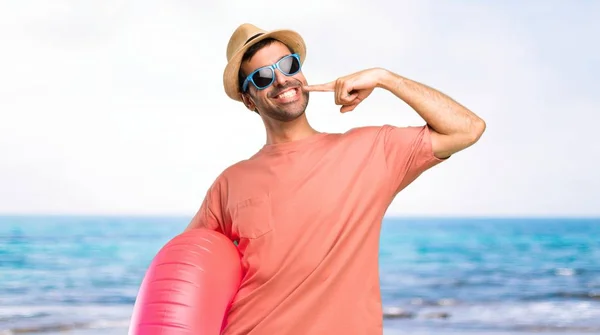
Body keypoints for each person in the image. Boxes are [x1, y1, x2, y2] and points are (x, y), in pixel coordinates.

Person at [185, 23, 485, 335]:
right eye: (262, 77)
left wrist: (384, 78)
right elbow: (185, 271)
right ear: (249, 100)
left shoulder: (370, 151)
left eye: (288, 66)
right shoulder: (231, 183)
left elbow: (466, 128)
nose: (281, 79)